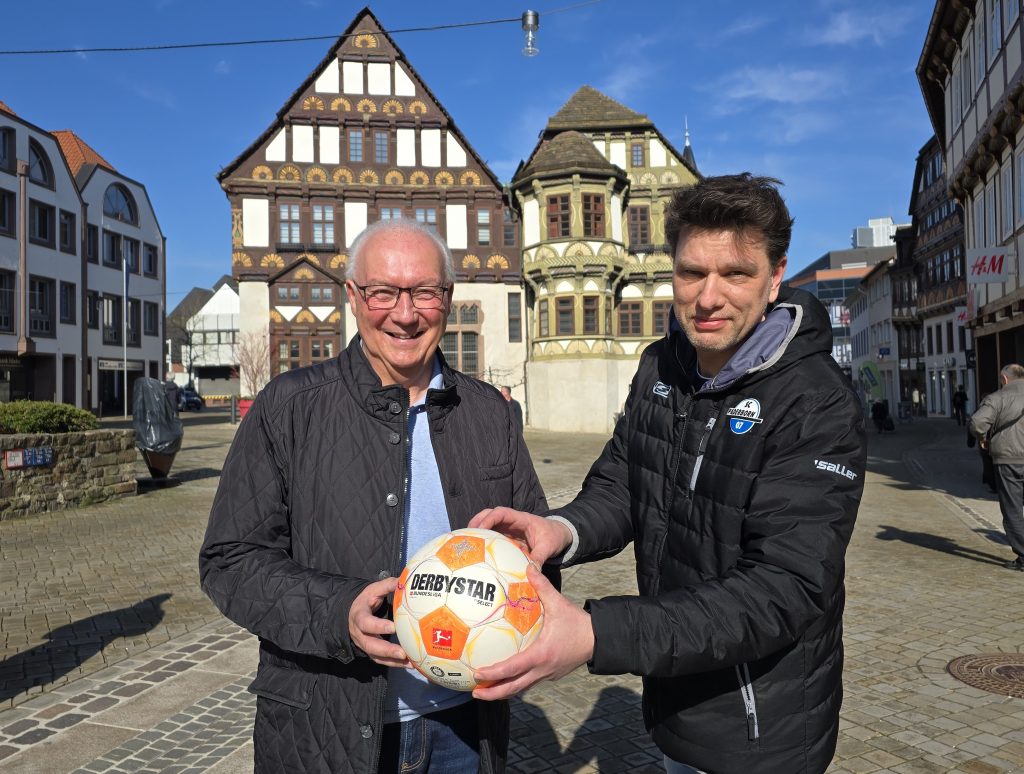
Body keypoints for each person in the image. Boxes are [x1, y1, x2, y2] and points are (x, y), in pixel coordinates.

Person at [470, 174, 866, 774]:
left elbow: (784, 588)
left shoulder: (816, 402)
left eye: (736, 274)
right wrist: (559, 531)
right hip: (672, 693)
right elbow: (625, 483)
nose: (708, 298)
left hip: (757, 725)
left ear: (775, 277)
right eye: (691, 272)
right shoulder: (662, 363)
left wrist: (597, 634)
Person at [199, 218, 548, 773]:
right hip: (323, 728)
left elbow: (539, 553)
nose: (405, 314)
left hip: (464, 729)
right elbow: (230, 560)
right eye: (383, 292)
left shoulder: (491, 414)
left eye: (424, 292)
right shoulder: (289, 407)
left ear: (447, 297)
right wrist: (338, 612)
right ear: (353, 297)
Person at [969, 364, 1024, 571]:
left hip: (1008, 459)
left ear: (1004, 379)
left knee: (1012, 509)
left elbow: (976, 423)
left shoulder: (998, 398)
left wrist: (983, 438)